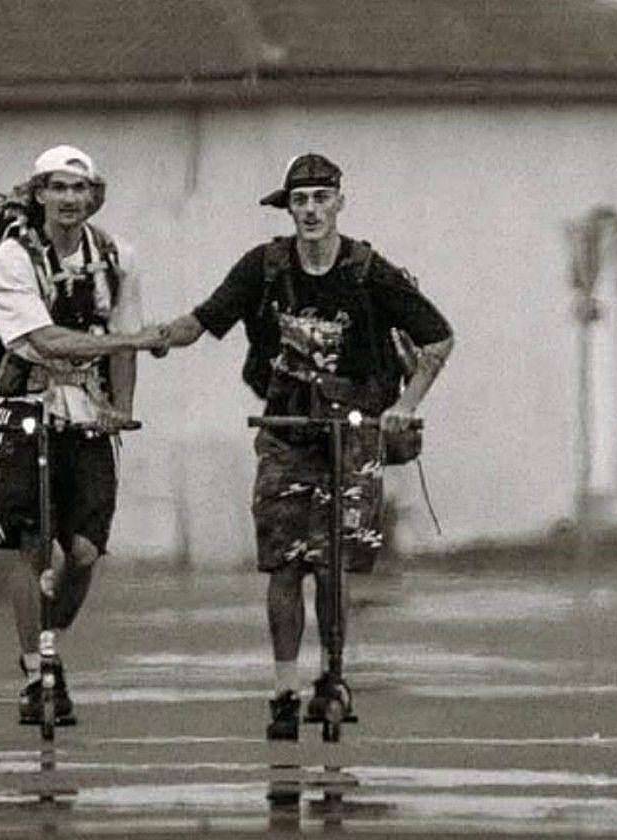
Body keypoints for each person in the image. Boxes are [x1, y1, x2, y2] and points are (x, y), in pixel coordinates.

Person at [158, 153, 455, 739]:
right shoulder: (265, 267)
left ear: (340, 202)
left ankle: (333, 675)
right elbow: (206, 318)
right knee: (285, 562)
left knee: (334, 560)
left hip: (353, 433)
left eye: (322, 198)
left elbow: (439, 338)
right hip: (287, 431)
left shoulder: (368, 271)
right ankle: (283, 688)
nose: (312, 210)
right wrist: (157, 337)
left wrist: (404, 405)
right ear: (288, 208)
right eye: (300, 200)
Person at [0, 144, 164, 725]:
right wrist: (127, 342)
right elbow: (44, 339)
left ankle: (49, 643)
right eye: (57, 187)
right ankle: (34, 672)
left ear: (93, 196)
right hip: (26, 407)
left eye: (78, 188)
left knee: (84, 551)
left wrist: (123, 408)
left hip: (88, 414)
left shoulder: (115, 256)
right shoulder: (13, 258)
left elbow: (124, 335)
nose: (68, 199)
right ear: (38, 194)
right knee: (32, 543)